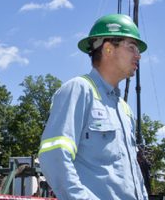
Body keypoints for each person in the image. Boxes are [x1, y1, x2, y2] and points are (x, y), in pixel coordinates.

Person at [38, 14, 148, 200]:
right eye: (131, 47)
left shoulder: (123, 109)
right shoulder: (79, 90)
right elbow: (54, 157)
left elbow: (134, 174)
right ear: (107, 49)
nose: (138, 55)